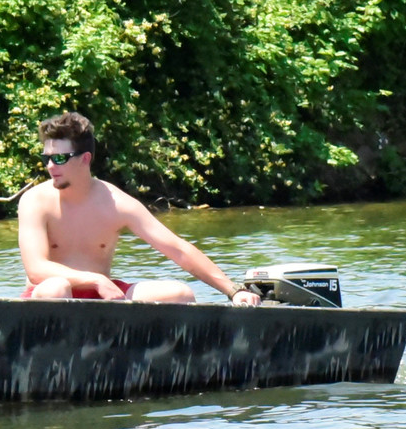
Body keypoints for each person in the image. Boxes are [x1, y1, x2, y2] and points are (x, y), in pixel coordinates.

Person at [18, 111, 262, 305]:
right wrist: (95, 279)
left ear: (85, 159)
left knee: (180, 293)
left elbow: (177, 249)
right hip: (49, 296)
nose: (50, 166)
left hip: (104, 295)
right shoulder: (34, 201)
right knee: (56, 286)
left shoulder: (116, 203)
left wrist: (234, 291)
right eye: (46, 158)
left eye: (59, 158)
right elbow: (37, 269)